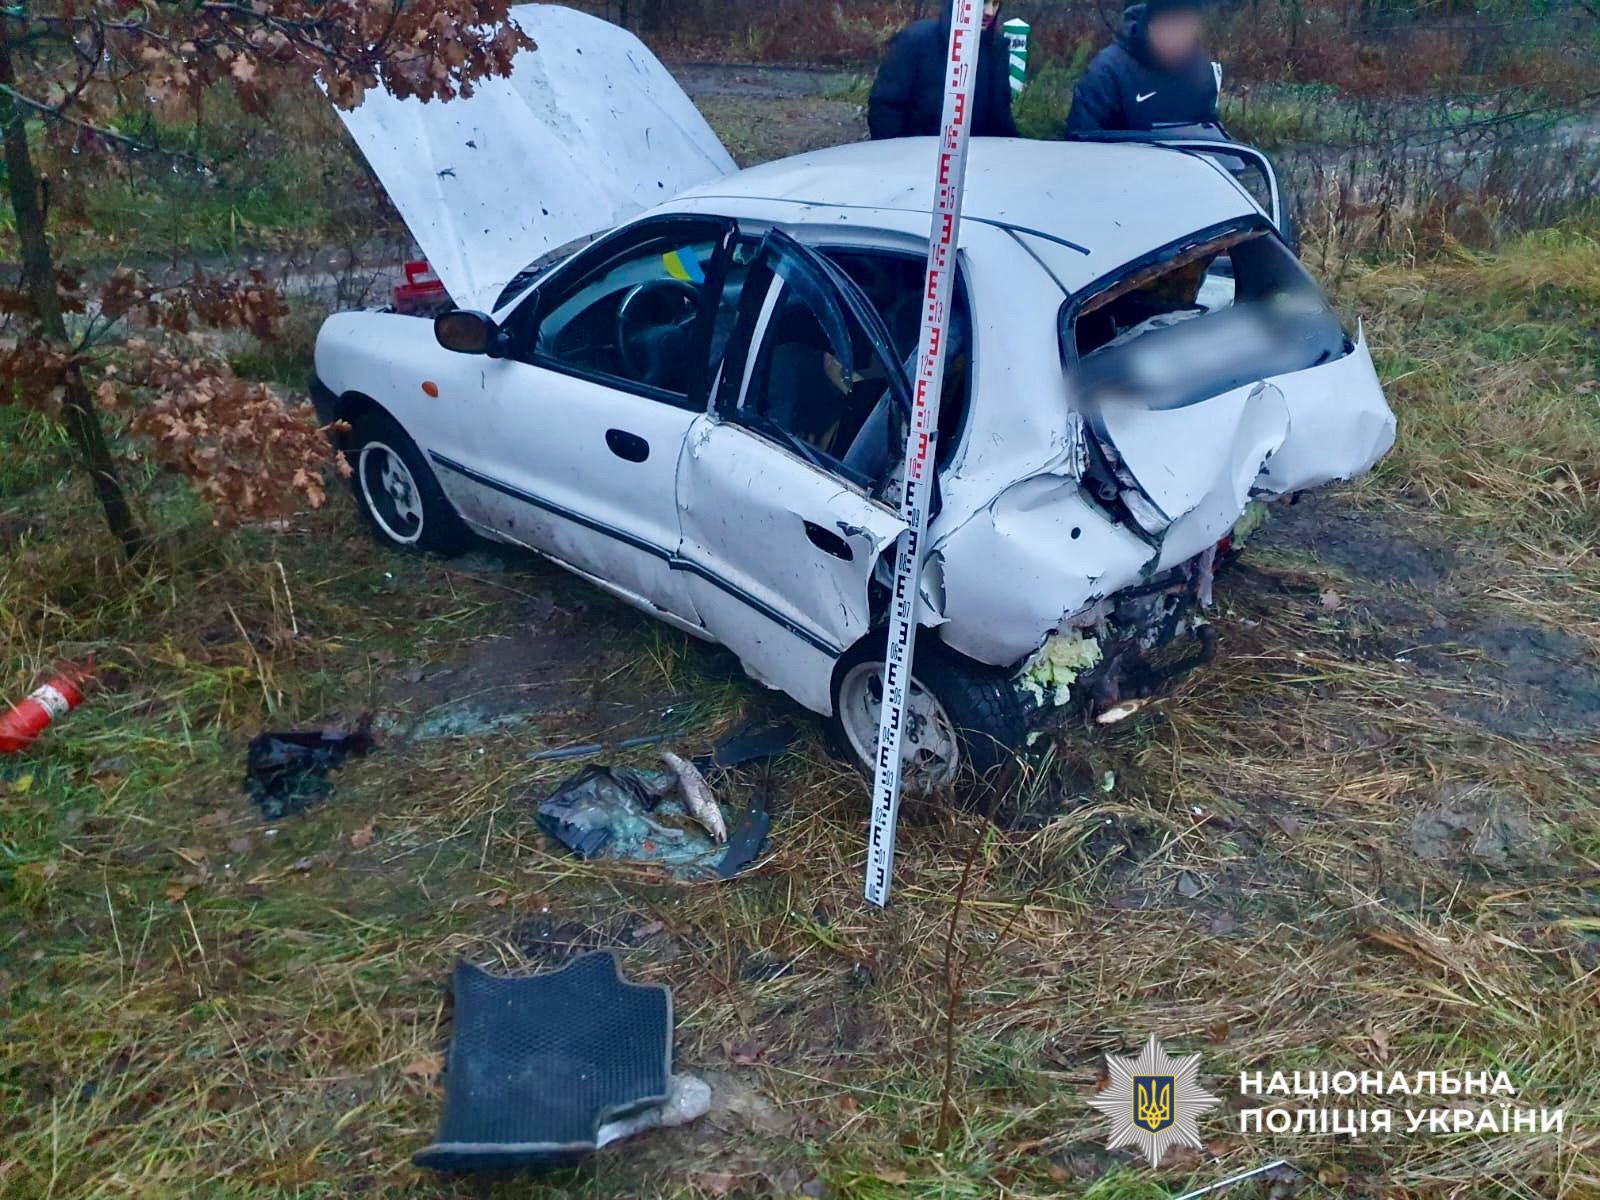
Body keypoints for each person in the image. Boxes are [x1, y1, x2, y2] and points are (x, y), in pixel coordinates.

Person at [1064, 0, 1220, 136]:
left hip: (1185, 166)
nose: (1181, 39)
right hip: (1121, 167)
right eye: (1172, 27)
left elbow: (1208, 129)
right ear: (1151, 25)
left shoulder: (1199, 68)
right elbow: (1081, 139)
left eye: (1188, 29)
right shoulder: (1106, 72)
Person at [868, 0, 1017, 140]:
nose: (990, 12)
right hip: (913, 158)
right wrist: (899, 159)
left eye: (995, 3)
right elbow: (885, 108)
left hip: (977, 161)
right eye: (983, 2)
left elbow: (1001, 121)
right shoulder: (916, 40)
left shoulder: (996, 50)